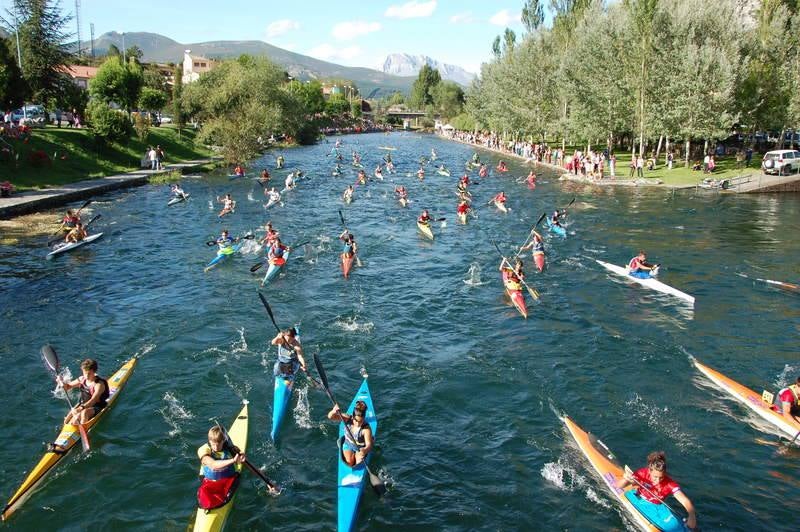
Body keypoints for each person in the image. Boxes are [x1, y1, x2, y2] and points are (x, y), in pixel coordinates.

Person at [616, 451, 697, 530]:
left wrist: (691, 514)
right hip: (639, 498)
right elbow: (618, 486)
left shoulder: (670, 483)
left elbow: (684, 500)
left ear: (665, 473)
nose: (658, 480)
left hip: (657, 506)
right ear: (649, 471)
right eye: (655, 477)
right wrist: (626, 479)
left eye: (661, 477)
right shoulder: (642, 473)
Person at [59, 359, 109, 427]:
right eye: (85, 373)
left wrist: (80, 408)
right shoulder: (81, 379)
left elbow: (93, 400)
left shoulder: (99, 385)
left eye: (89, 373)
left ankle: (83, 429)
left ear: (94, 372)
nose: (86, 376)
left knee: (84, 413)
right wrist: (61, 382)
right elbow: (67, 387)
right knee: (69, 418)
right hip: (83, 405)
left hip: (97, 406)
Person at [327, 400, 374, 466]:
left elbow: (369, 445)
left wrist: (364, 450)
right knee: (349, 463)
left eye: (361, 421)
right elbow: (330, 417)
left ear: (363, 418)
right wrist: (333, 411)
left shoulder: (366, 429)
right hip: (348, 444)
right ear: (353, 416)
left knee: (357, 464)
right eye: (356, 420)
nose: (358, 423)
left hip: (360, 449)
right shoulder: (347, 418)